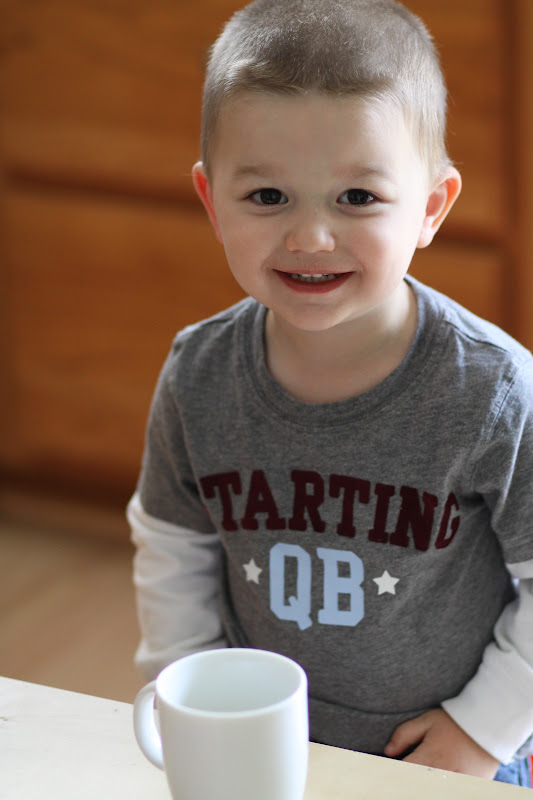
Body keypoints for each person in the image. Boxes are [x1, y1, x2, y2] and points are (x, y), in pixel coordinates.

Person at [128, 0, 533, 786]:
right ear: (212, 202)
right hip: (259, 743)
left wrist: (481, 731)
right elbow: (173, 546)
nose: (310, 237)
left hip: (445, 758)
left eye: (356, 198)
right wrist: (189, 691)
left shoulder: (492, 393)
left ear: (430, 207)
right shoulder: (198, 373)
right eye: (267, 197)